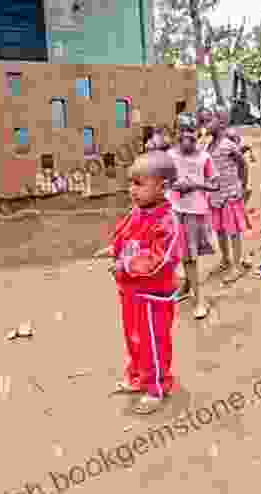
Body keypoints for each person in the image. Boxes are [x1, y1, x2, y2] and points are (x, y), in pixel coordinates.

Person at [106, 151, 185, 415]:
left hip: (153, 296)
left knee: (154, 341)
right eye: (131, 183)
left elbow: (158, 259)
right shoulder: (139, 211)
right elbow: (124, 233)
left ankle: (157, 386)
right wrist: (113, 249)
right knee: (134, 338)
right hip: (131, 291)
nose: (132, 190)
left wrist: (125, 265)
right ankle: (138, 376)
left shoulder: (168, 221)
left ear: (162, 187)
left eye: (139, 184)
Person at [167, 113, 218, 319]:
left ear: (196, 133)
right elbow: (164, 181)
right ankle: (187, 287)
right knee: (182, 254)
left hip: (194, 212)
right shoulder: (170, 156)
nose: (186, 137)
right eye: (181, 131)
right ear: (176, 133)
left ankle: (199, 301)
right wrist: (174, 185)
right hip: (175, 209)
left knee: (190, 257)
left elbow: (215, 184)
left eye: (190, 131)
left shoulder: (204, 158)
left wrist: (195, 185)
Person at [206, 107, 250, 282]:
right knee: (220, 229)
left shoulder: (228, 145)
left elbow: (243, 164)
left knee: (233, 231)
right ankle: (225, 259)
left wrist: (242, 186)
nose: (205, 124)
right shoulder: (208, 146)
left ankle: (237, 265)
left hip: (230, 194)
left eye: (209, 120)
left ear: (222, 123)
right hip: (216, 196)